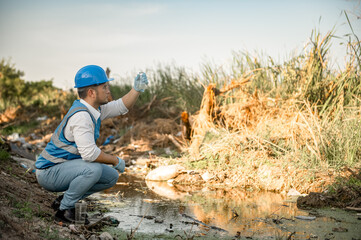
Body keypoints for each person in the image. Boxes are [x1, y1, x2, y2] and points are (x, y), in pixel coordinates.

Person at [35, 65, 148, 223]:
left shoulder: (94, 109)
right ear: (91, 93)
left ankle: (64, 200)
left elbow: (120, 106)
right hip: (48, 173)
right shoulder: (82, 117)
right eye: (105, 87)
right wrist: (116, 160)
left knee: (110, 177)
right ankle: (64, 211)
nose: (108, 91)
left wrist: (136, 89)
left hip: (61, 168)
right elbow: (90, 154)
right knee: (93, 169)